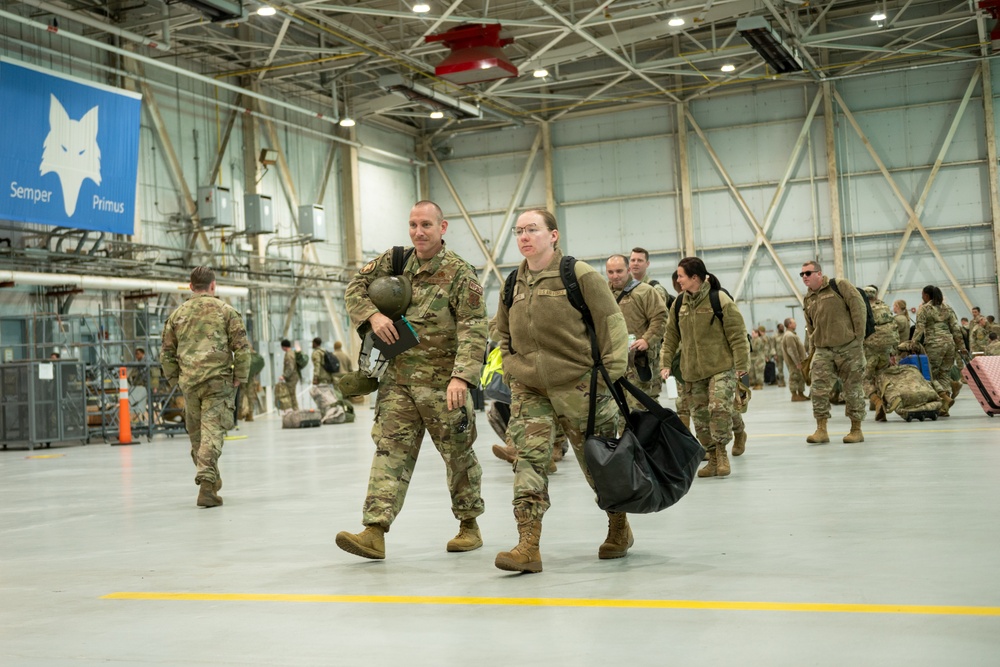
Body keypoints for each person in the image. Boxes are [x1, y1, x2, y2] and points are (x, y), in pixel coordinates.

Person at [335, 200, 487, 561]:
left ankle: (469, 525)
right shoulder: (396, 259)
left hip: (442, 383)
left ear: (442, 228)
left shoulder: (460, 273)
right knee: (390, 452)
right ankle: (375, 530)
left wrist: (461, 378)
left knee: (457, 455)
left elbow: (473, 327)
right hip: (398, 380)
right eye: (413, 224)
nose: (418, 232)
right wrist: (372, 316)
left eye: (426, 225)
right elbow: (355, 288)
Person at [493, 208, 628, 573]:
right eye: (519, 231)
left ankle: (619, 526)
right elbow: (501, 332)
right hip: (530, 389)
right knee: (528, 461)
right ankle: (528, 545)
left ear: (553, 235)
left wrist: (609, 377)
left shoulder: (577, 274)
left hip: (580, 386)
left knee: (598, 465)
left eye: (532, 229)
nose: (524, 237)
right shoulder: (512, 284)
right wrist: (511, 365)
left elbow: (612, 323)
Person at [160, 266, 251, 508]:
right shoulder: (226, 311)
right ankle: (207, 486)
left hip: (189, 384)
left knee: (197, 437)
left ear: (190, 287)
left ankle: (210, 478)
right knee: (212, 434)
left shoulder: (176, 315)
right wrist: (239, 376)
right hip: (217, 383)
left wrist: (174, 380)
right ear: (213, 286)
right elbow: (242, 348)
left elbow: (166, 352)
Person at [660, 257, 750, 478]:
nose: (678, 279)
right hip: (691, 371)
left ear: (695, 277)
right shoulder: (679, 303)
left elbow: (738, 336)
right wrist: (665, 363)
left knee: (718, 408)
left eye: (681, 275)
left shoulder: (719, 299)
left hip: (721, 367)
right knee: (700, 417)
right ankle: (711, 455)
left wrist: (742, 368)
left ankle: (721, 454)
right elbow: (670, 335)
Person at [800, 260, 867, 444]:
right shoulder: (808, 299)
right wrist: (812, 351)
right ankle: (821, 430)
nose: (804, 277)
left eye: (808, 273)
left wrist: (858, 339)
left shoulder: (839, 286)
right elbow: (810, 326)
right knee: (818, 389)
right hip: (823, 349)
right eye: (802, 274)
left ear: (819, 274)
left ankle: (856, 429)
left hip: (848, 347)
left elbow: (858, 308)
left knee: (852, 389)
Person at [606, 254, 666, 412]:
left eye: (619, 271)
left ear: (628, 270)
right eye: (610, 272)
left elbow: (660, 317)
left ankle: (646, 437)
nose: (615, 276)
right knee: (617, 410)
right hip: (613, 362)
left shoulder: (645, 292)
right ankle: (625, 438)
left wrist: (647, 340)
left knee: (641, 408)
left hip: (638, 361)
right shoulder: (602, 294)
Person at [912, 284, 966, 416]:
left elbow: (919, 328)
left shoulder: (924, 309)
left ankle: (945, 398)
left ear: (926, 295)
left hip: (934, 345)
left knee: (930, 374)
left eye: (922, 294)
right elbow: (955, 329)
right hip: (949, 344)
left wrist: (913, 344)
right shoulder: (947, 308)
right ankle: (944, 408)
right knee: (945, 374)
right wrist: (962, 347)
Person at [861, 286, 900, 421]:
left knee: (864, 379)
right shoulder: (884, 307)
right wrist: (893, 352)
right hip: (886, 349)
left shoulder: (863, 308)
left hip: (869, 350)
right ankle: (885, 403)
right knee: (881, 377)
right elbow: (894, 327)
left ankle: (877, 402)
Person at [782, 318, 809, 401]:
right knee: (794, 378)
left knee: (800, 377)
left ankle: (800, 394)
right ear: (789, 324)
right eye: (794, 323)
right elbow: (792, 351)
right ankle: (794, 395)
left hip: (799, 361)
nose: (796, 324)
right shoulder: (789, 336)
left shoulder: (792, 335)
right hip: (794, 363)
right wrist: (797, 362)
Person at [278, 339, 299, 410]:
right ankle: (295, 411)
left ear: (284, 347)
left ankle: (296, 411)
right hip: (293, 377)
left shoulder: (289, 355)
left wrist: (284, 376)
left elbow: (290, 367)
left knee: (291, 395)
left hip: (291, 378)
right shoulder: (292, 352)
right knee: (292, 394)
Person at [771, 323, 786, 388]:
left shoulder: (786, 335)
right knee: (780, 369)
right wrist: (774, 354)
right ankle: (782, 381)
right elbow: (772, 346)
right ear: (778, 328)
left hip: (786, 354)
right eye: (781, 327)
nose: (782, 328)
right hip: (778, 354)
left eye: (783, 327)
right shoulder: (774, 336)